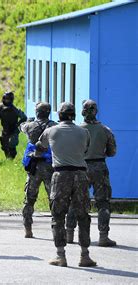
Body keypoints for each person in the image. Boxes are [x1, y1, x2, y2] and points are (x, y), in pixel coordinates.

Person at [36, 102, 96, 267]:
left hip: (61, 175)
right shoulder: (84, 132)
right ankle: (85, 256)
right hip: (81, 175)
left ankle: (60, 256)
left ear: (60, 115)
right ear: (74, 115)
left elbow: (40, 146)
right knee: (83, 215)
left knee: (58, 215)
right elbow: (85, 150)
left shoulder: (51, 131)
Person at [66, 100, 117, 247]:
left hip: (81, 167)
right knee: (103, 202)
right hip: (100, 167)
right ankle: (103, 236)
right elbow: (112, 152)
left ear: (82, 112)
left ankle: (69, 233)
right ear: (96, 111)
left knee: (75, 201)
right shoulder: (105, 130)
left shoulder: (77, 130)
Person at [20, 102, 57, 238]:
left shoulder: (30, 126)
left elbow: (22, 127)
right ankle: (56, 228)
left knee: (29, 199)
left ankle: (28, 228)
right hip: (49, 165)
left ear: (37, 112)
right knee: (53, 198)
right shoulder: (54, 126)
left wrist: (27, 121)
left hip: (34, 166)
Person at [0, 91, 27, 159]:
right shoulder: (0, 108)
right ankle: (8, 157)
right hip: (5, 129)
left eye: (8, 99)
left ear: (11, 100)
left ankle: (12, 157)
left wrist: (18, 125)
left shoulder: (15, 109)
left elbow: (24, 117)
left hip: (14, 129)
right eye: (5, 99)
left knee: (12, 144)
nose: (6, 100)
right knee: (4, 144)